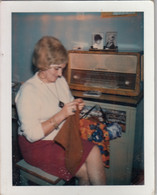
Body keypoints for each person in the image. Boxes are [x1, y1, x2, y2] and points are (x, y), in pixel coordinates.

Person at [15, 36, 106, 185]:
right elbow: (32, 135)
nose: (60, 74)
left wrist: (75, 105)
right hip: (37, 147)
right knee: (84, 172)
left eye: (62, 68)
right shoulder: (28, 91)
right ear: (43, 65)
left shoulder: (60, 81)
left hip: (62, 137)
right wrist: (62, 114)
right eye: (57, 68)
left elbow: (68, 102)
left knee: (95, 151)